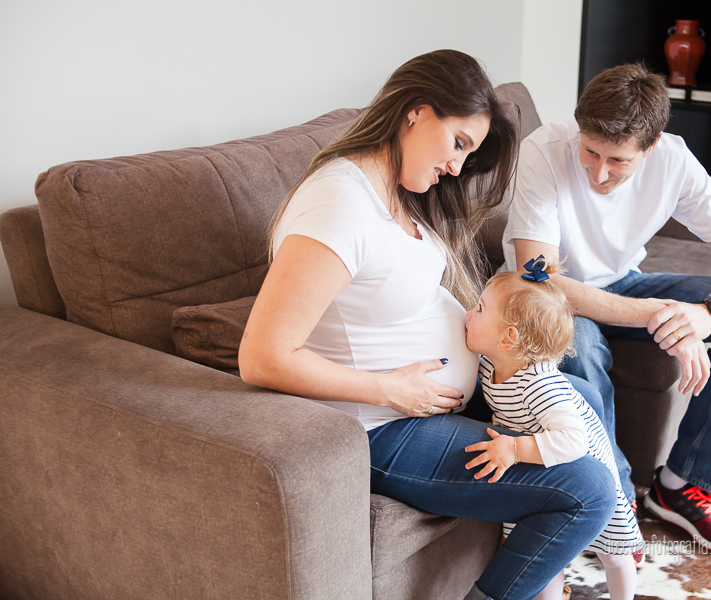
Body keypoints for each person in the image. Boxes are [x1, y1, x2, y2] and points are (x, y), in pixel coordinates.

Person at [238, 49, 617, 600]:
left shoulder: (398, 188)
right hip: (381, 427)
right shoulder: (339, 205)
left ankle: (590, 557)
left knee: (576, 392)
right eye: (459, 143)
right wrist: (389, 389)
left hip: (439, 399)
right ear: (416, 112)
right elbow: (262, 356)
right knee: (586, 489)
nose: (458, 167)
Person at [501, 62, 711, 555]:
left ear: (650, 147)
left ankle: (682, 484)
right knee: (579, 344)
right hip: (551, 301)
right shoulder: (542, 150)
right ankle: (613, 495)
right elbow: (538, 275)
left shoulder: (672, 160)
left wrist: (707, 313)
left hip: (623, 283)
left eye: (618, 161)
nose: (599, 172)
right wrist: (661, 313)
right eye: (590, 151)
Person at [463, 260, 641, 600]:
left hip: (582, 461)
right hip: (540, 464)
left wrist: (514, 449)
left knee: (614, 554)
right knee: (547, 551)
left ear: (508, 338)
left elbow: (574, 440)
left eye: (480, 309)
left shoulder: (540, 387)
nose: (469, 313)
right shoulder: (491, 363)